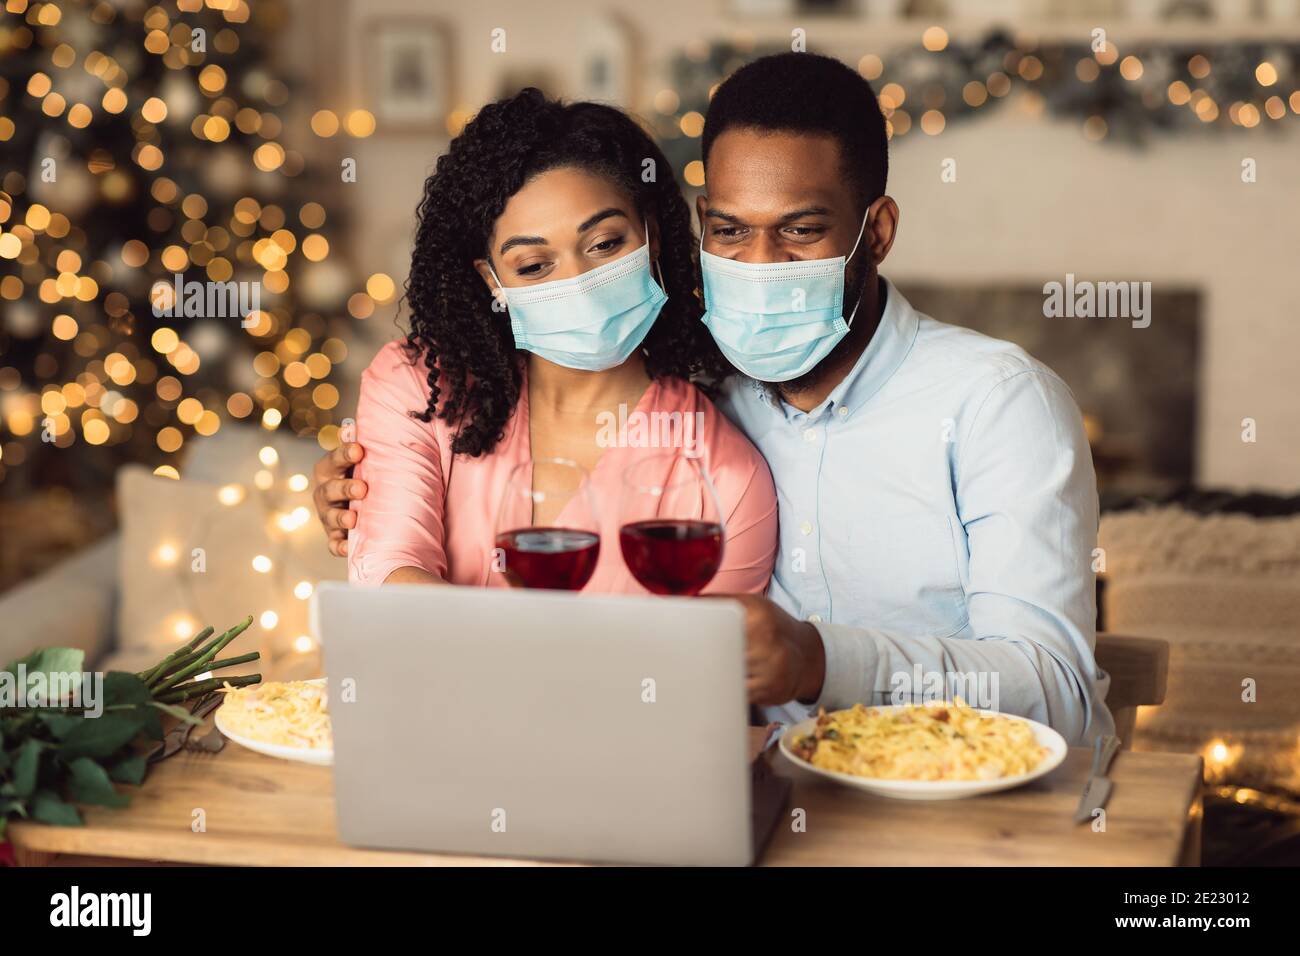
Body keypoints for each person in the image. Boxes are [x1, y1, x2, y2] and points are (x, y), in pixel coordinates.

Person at [316, 55, 1113, 744]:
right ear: (697, 227)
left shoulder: (997, 405)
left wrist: (818, 660)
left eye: (801, 231)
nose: (761, 267)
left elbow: (1062, 697)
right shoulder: (713, 382)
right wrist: (359, 498)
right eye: (730, 230)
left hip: (987, 806)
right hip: (773, 799)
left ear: (877, 232)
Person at [342, 88, 777, 595]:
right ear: (492, 281)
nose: (579, 283)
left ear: (651, 236)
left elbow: (704, 660)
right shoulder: (416, 390)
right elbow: (391, 579)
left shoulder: (725, 476)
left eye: (605, 244)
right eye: (533, 266)